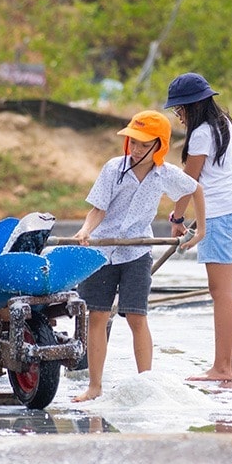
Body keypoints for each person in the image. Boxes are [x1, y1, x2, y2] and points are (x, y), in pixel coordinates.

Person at [71, 110, 206, 402]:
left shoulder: (164, 175)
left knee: (136, 317)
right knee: (97, 315)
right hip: (102, 249)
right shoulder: (112, 169)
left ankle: (146, 384)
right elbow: (98, 209)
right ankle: (94, 387)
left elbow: (195, 189)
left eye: (144, 145)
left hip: (136, 251)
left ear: (159, 147)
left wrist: (199, 229)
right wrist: (85, 230)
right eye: (133, 142)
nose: (136, 149)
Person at [164, 72, 232, 385]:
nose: (179, 116)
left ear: (193, 106)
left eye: (180, 110)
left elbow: (187, 184)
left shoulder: (202, 133)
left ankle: (223, 368)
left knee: (221, 293)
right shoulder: (225, 123)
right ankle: (224, 365)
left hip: (222, 215)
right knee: (223, 292)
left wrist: (176, 219)